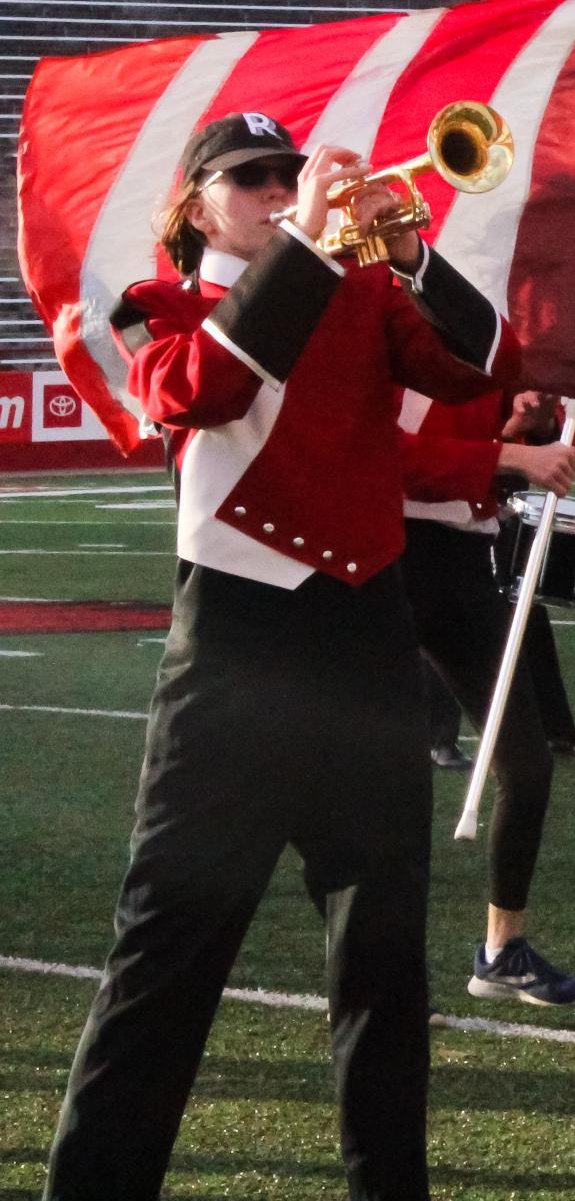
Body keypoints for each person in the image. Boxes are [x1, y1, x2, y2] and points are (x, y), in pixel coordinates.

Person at [46, 113, 515, 1201]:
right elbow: (196, 393)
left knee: (386, 964)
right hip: (235, 659)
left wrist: (411, 256)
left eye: (289, 173)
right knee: (165, 956)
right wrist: (304, 245)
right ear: (196, 202)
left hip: (364, 647)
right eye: (250, 177)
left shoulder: (363, 292)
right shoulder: (157, 307)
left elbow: (478, 371)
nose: (277, 188)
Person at [399, 385, 575, 1007]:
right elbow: (389, 454)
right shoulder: (382, 326)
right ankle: (378, 974)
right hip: (383, 555)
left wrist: (514, 435)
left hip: (463, 562)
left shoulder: (472, 346)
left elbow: (473, 462)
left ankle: (503, 950)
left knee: (527, 764)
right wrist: (505, 455)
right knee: (374, 778)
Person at [425, 390, 575, 767]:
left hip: (502, 510)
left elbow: (541, 441)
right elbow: (449, 445)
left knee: (528, 613)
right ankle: (440, 737)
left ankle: (556, 728)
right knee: (446, 619)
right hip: (446, 514)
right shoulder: (438, 365)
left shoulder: (508, 363)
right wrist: (509, 435)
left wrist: (541, 423)